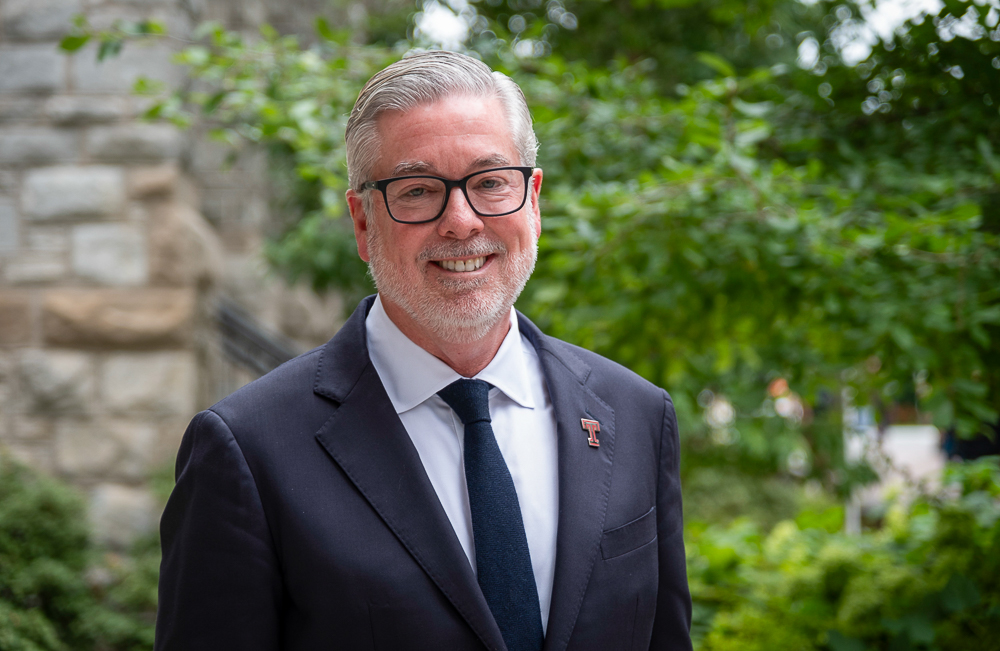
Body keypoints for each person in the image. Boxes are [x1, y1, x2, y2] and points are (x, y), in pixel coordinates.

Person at [155, 50, 692, 651]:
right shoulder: (248, 450)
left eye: (490, 182)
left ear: (533, 201)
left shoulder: (637, 415)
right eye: (417, 191)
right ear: (363, 223)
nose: (462, 221)